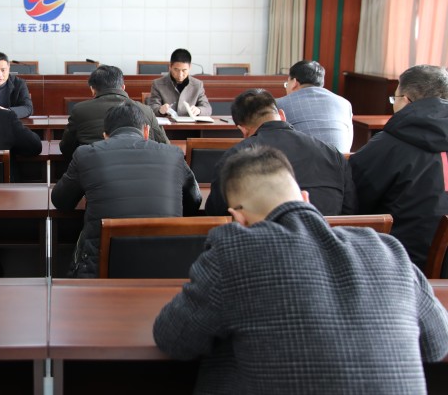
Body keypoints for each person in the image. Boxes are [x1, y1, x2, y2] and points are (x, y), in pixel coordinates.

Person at [154, 146, 448, 394]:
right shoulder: (387, 248)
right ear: (305, 198)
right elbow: (437, 343)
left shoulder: (235, 252)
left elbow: (174, 338)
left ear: (238, 218)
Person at [52, 102, 201, 278]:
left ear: (105, 136)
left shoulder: (85, 154)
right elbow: (195, 201)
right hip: (168, 267)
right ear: (146, 131)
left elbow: (61, 201)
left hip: (100, 271)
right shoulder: (173, 154)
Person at [351, 64, 448, 270]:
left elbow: (354, 195)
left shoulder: (389, 144)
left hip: (400, 263)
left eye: (394, 99)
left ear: (405, 99)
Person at [205, 88, 356, 217]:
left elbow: (217, 212)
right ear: (282, 115)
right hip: (328, 236)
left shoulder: (234, 157)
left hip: (263, 240)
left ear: (243, 130)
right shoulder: (331, 152)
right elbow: (350, 208)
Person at [60, 64, 168, 158]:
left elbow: (66, 148)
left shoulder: (79, 110)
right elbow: (164, 145)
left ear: (92, 89)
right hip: (139, 167)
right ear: (123, 87)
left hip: (94, 168)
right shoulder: (146, 110)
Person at [275, 60, 353, 152]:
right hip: (341, 159)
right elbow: (348, 140)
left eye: (287, 83)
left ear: (294, 82)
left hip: (300, 160)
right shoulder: (344, 103)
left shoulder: (279, 104)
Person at [147, 48, 212, 117]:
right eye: (176, 70)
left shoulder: (197, 85)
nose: (180, 75)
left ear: (190, 67)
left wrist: (199, 110)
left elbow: (207, 108)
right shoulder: (158, 84)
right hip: (168, 123)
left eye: (184, 70)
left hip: (190, 123)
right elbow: (152, 107)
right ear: (170, 66)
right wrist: (160, 110)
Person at [0, 51, 33, 118]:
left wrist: (7, 111)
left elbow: (28, 108)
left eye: (3, 70)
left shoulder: (19, 84)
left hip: (11, 121)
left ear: (9, 69)